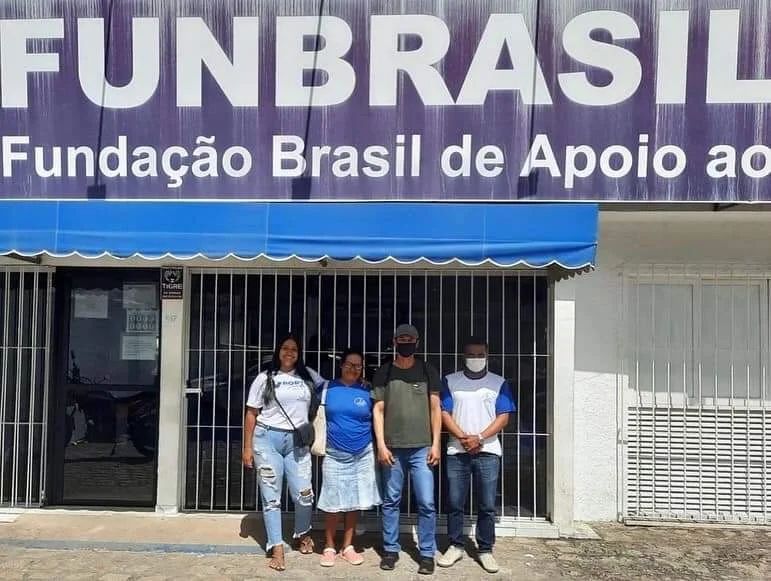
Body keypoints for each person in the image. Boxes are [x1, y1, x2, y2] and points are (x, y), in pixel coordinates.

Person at [242, 333, 325, 572]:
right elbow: (251, 413)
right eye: (285, 348)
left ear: (299, 353)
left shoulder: (308, 376)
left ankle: (302, 533)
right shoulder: (264, 378)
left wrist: (360, 383)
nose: (289, 352)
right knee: (271, 497)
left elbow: (331, 388)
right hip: (267, 439)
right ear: (278, 351)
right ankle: (276, 547)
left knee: (304, 494)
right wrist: (247, 448)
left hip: (297, 441)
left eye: (294, 349)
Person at [437, 337, 516, 574]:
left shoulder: (498, 382)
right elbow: (444, 412)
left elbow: (504, 416)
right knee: (454, 503)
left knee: (487, 504)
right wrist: (464, 438)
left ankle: (485, 549)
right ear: (463, 356)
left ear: (487, 355)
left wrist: (479, 438)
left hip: (488, 451)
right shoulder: (450, 381)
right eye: (471, 354)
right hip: (457, 451)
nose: (475, 359)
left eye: (480, 354)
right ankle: (455, 545)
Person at [372, 324, 442, 575]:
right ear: (394, 342)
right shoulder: (385, 372)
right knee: (391, 501)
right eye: (401, 339)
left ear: (417, 342)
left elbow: (435, 408)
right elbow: (378, 410)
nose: (405, 343)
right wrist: (381, 445)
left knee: (426, 502)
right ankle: (390, 550)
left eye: (409, 339)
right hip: (392, 448)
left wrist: (436, 443)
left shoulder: (427, 370)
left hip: (422, 448)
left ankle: (427, 553)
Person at [317, 348, 382, 567]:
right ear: (341, 365)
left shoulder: (368, 390)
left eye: (358, 365)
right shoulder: (327, 388)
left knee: (354, 501)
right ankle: (329, 546)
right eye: (349, 364)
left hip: (362, 453)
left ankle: (348, 546)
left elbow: (378, 416)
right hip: (334, 453)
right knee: (332, 501)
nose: (353, 369)